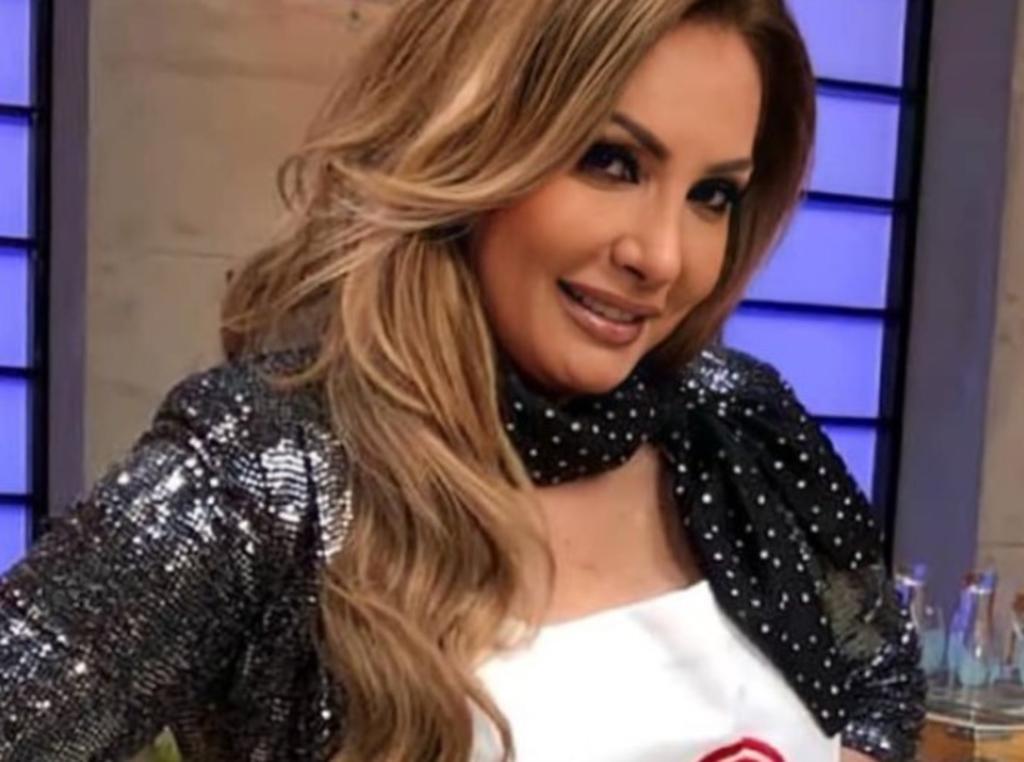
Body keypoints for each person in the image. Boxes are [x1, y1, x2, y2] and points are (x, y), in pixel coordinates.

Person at [0, 0, 925, 760]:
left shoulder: (735, 423)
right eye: (611, 162)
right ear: (472, 140)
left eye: (711, 195)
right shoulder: (270, 467)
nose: (663, 256)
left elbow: (879, 679)